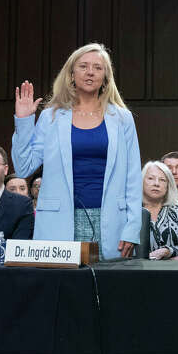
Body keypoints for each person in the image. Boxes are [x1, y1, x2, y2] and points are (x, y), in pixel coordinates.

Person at [11, 43, 143, 259]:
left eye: (98, 67)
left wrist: (133, 227)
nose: (90, 72)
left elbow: (133, 176)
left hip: (111, 220)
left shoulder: (122, 118)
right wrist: (24, 121)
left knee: (107, 288)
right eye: (83, 66)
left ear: (106, 77)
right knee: (64, 289)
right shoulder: (51, 116)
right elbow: (23, 166)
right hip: (60, 220)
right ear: (71, 74)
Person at [142, 161, 178, 260]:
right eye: (151, 178)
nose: (156, 183)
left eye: (162, 180)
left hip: (173, 272)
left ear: (168, 186)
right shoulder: (131, 213)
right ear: (141, 181)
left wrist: (167, 252)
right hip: (137, 272)